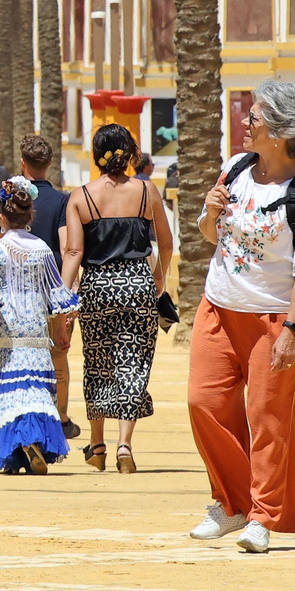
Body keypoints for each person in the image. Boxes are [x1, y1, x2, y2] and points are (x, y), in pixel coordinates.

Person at [187, 81, 295, 554]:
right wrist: (210, 215)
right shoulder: (235, 168)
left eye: (256, 116)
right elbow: (214, 235)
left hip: (274, 319)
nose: (246, 123)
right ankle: (230, 504)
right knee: (204, 404)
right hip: (219, 307)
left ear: (283, 130)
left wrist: (292, 330)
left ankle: (262, 516)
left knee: (267, 419)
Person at [61, 123, 172, 475]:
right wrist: (159, 276)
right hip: (138, 284)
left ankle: (97, 445)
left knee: (98, 363)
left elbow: (75, 250)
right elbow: (165, 244)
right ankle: (125, 444)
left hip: (97, 287)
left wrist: (64, 299)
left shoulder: (81, 196)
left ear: (97, 155)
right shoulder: (146, 191)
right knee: (133, 364)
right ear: (130, 153)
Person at [0, 177, 77, 474]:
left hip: (6, 333)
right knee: (34, 387)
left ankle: (17, 448)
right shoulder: (42, 250)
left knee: (8, 390)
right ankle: (32, 443)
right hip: (37, 329)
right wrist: (61, 330)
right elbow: (55, 294)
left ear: (1, 216)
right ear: (29, 216)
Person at [19, 134, 76, 437]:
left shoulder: (12, 197)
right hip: (52, 288)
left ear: (22, 163)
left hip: (19, 291)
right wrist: (66, 296)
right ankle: (61, 417)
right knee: (59, 356)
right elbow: (68, 248)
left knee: (22, 355)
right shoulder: (62, 201)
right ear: (50, 164)